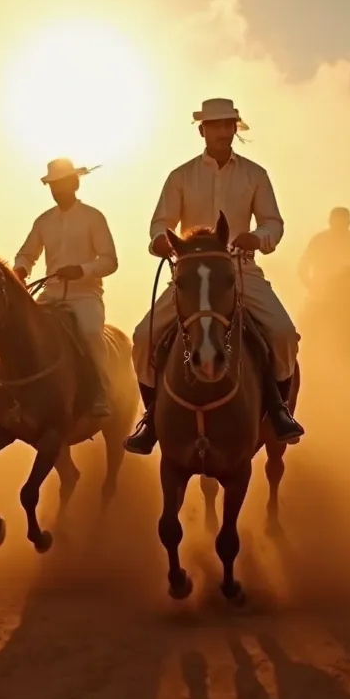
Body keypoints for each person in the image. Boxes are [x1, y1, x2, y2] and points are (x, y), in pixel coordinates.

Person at [125, 97, 304, 455]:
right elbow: (161, 222)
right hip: (192, 275)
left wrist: (260, 237)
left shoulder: (256, 174)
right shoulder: (180, 176)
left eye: (229, 124)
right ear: (202, 130)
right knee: (143, 336)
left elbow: (274, 222)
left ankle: (279, 411)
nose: (224, 131)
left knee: (284, 334)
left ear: (235, 128)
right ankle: (151, 417)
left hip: (241, 270)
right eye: (216, 125)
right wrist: (160, 240)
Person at [13, 157, 118, 417]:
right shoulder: (43, 221)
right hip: (51, 294)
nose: (56, 190)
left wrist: (81, 270)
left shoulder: (94, 217)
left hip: (86, 295)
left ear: (75, 184)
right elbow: (27, 254)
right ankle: (15, 396)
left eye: (61, 184)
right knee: (22, 331)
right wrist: (20, 270)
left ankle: (100, 392)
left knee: (92, 331)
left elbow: (109, 261)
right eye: (52, 185)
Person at [298, 207, 350, 294]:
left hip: (348, 289)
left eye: (343, 224)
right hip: (321, 290)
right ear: (330, 223)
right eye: (337, 224)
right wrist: (310, 285)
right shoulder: (318, 240)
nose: (340, 227)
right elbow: (304, 264)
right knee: (311, 307)